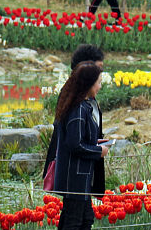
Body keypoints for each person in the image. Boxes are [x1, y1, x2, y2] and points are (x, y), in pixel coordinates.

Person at [50, 61, 110, 230]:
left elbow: (80, 139)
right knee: (74, 220)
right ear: (88, 84)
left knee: (84, 218)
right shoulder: (78, 110)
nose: (100, 86)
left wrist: (96, 142)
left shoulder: (81, 106)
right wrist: (98, 151)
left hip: (80, 177)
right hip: (75, 177)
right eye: (98, 82)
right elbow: (74, 145)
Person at [44, 45, 106, 202]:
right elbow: (73, 141)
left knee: (82, 216)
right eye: (97, 69)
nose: (100, 75)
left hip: (84, 165)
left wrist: (94, 142)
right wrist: (94, 149)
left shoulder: (85, 98)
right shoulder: (75, 102)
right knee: (74, 215)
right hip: (74, 171)